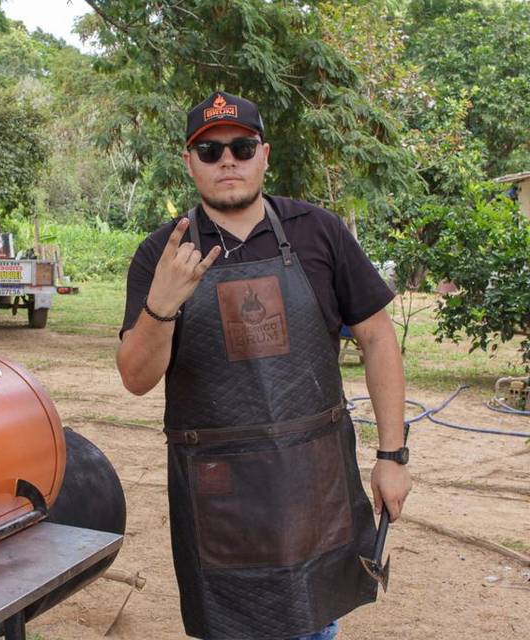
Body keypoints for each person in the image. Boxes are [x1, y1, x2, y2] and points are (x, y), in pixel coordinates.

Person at [116, 92, 412, 640]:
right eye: (209, 151)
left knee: (311, 624)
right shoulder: (162, 252)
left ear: (264, 155)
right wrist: (163, 305)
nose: (227, 160)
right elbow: (136, 379)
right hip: (217, 498)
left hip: (311, 485)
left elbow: (378, 338)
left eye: (241, 146)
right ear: (189, 162)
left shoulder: (317, 231)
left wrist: (392, 455)